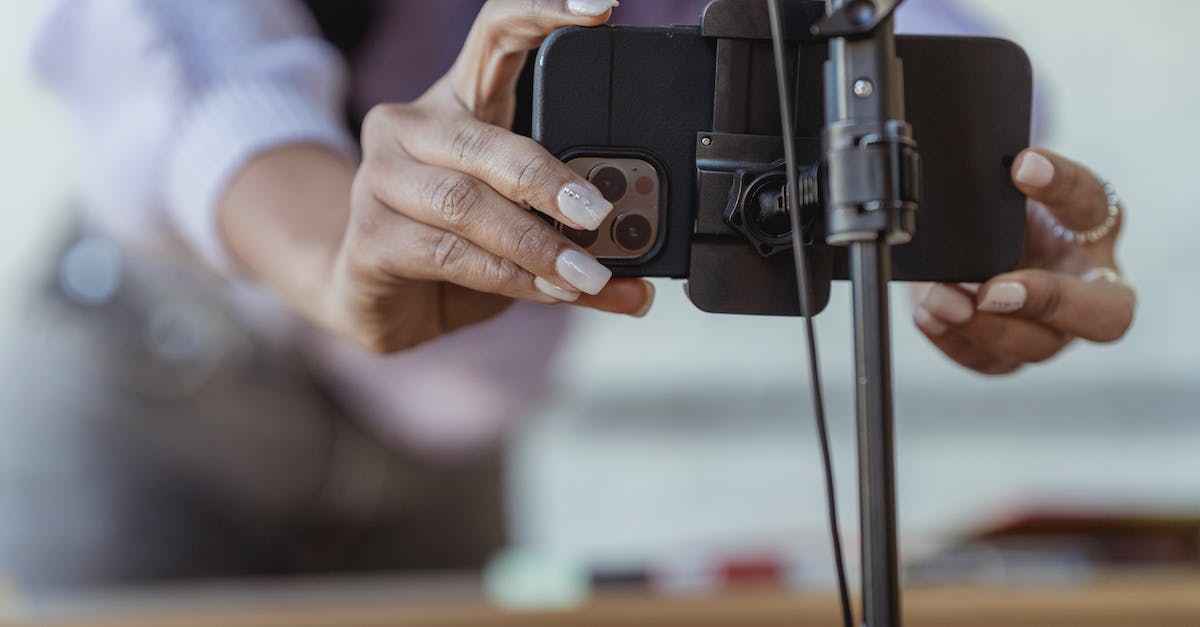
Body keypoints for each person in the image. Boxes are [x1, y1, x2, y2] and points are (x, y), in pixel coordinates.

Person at [4, 0, 1134, 591]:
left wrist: (991, 195)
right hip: (152, 407)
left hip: (443, 451)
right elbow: (169, 41)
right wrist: (331, 257)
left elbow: (879, 24)